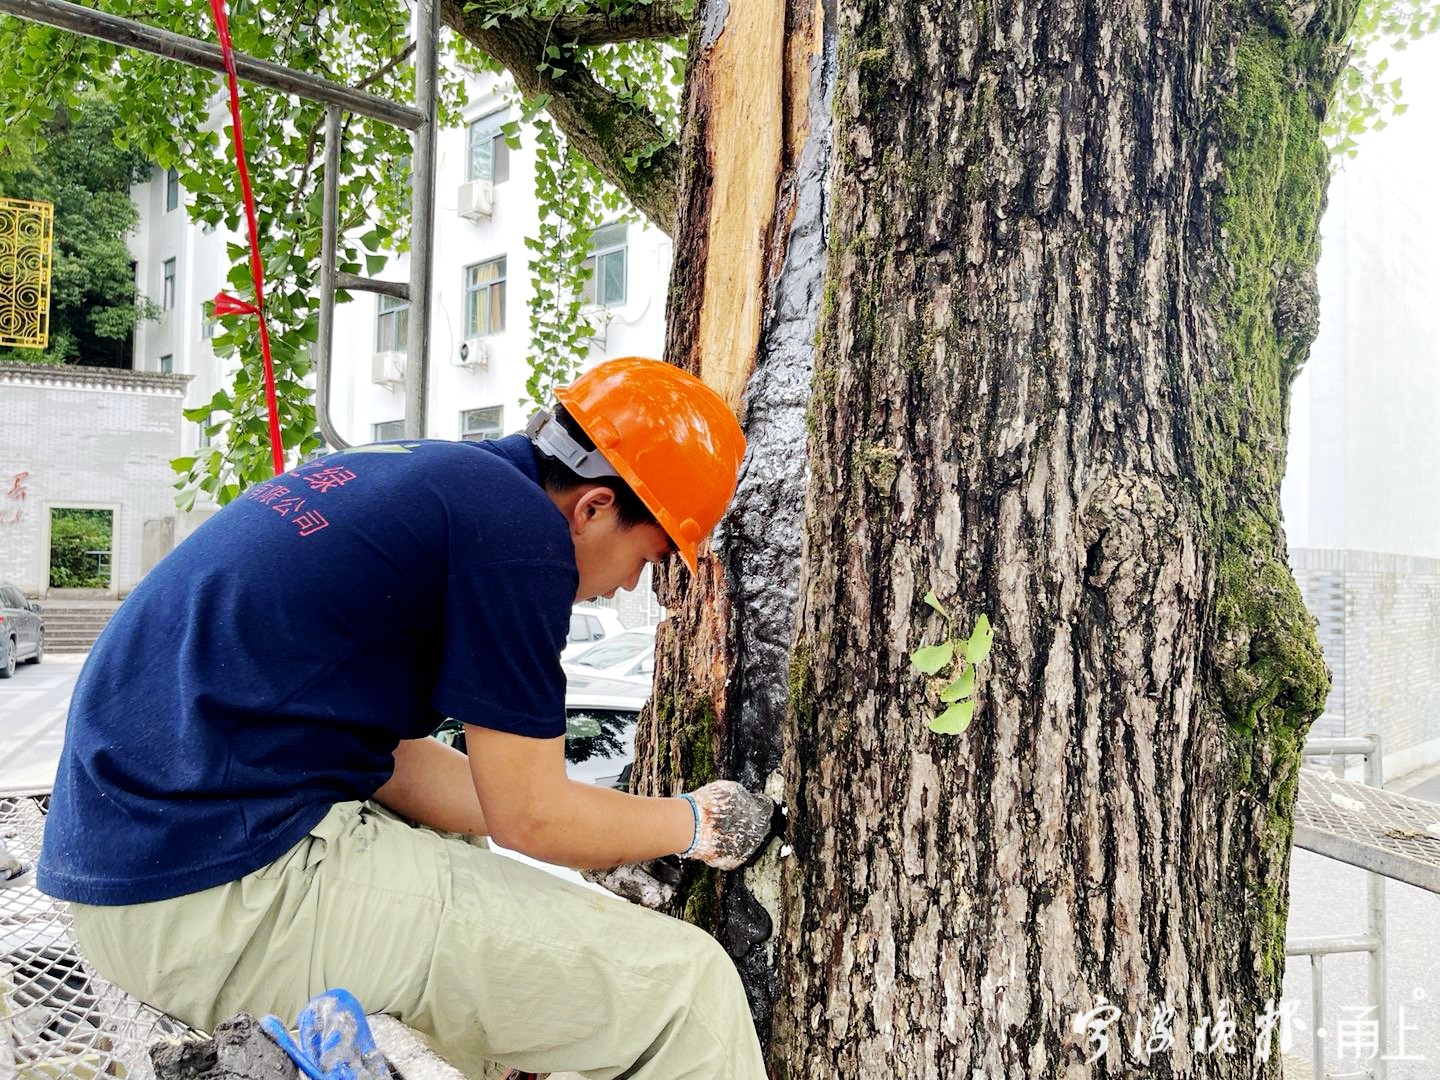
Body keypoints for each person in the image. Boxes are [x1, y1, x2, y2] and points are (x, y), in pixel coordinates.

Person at [37, 356, 775, 1079]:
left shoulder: (432, 481)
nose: (625, 590)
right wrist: (696, 824)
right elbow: (533, 821)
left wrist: (616, 829)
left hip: (131, 892)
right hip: (224, 896)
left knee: (465, 868)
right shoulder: (520, 537)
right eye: (648, 560)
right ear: (594, 507)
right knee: (686, 994)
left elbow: (402, 768)